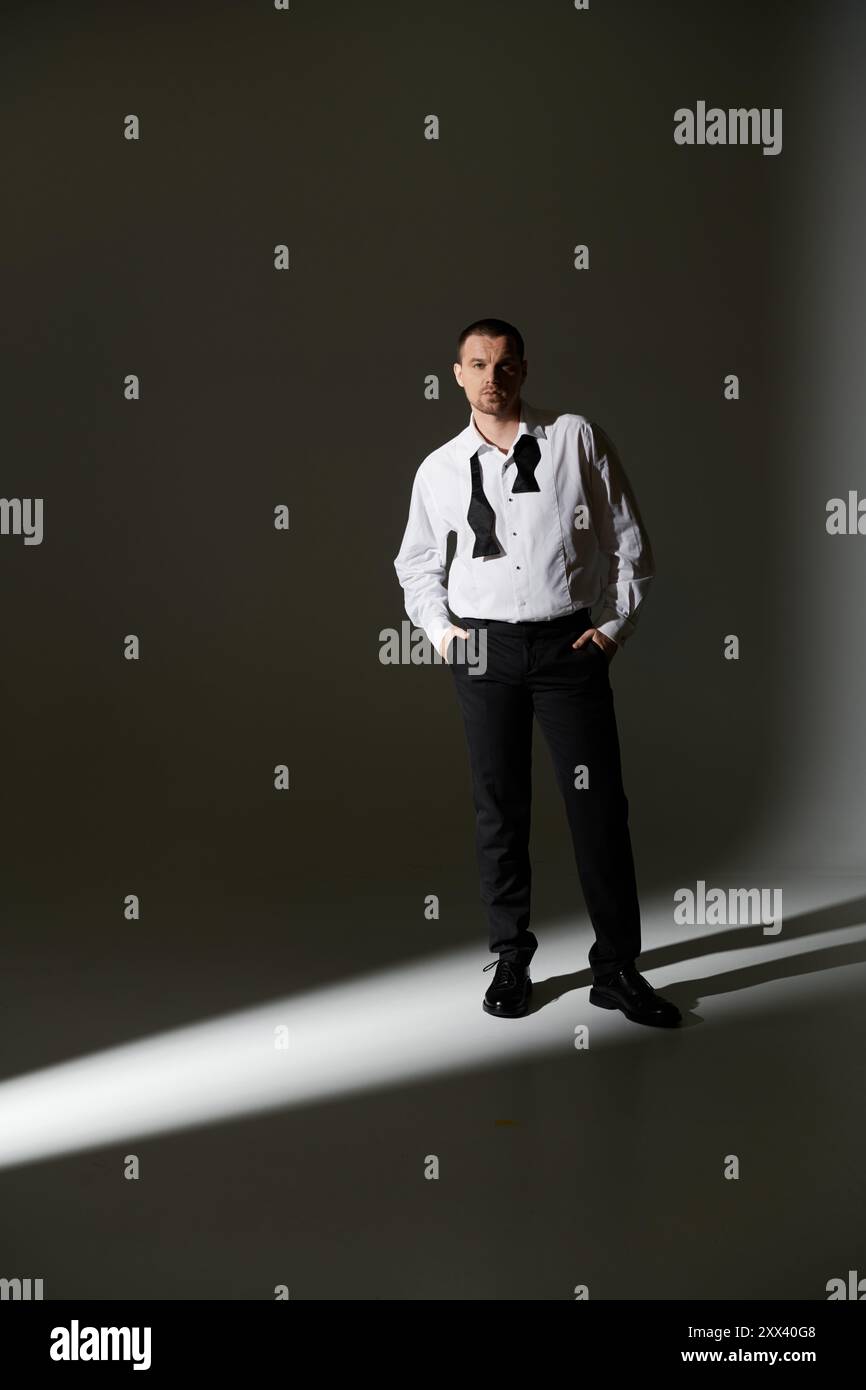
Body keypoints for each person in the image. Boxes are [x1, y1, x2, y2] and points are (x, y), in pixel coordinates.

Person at [394, 318, 680, 1028]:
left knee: (598, 809)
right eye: (478, 363)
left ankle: (615, 968)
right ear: (456, 373)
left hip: (566, 648)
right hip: (484, 653)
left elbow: (628, 542)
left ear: (524, 370)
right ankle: (512, 957)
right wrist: (443, 636)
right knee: (500, 807)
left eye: (505, 364)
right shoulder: (436, 469)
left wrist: (611, 632)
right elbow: (417, 566)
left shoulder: (574, 439)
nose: (492, 376)